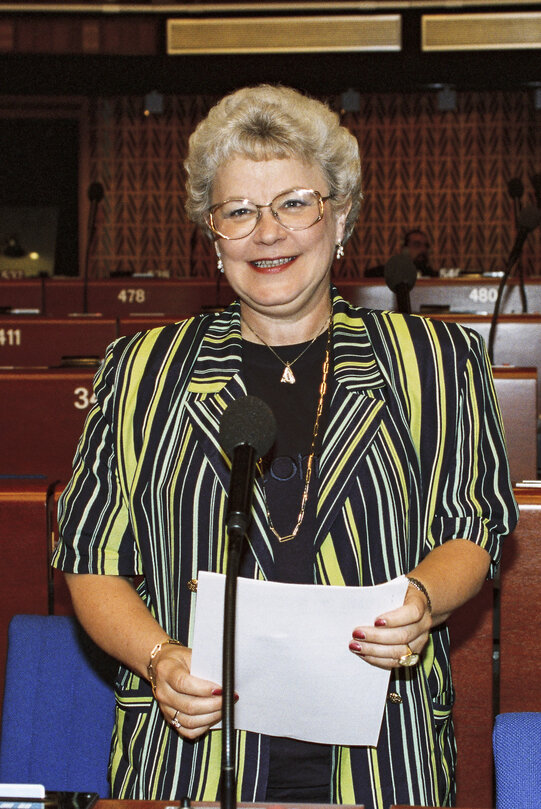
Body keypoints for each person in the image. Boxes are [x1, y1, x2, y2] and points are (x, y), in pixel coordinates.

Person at [52, 84, 518, 809]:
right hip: (187, 760)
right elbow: (90, 557)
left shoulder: (439, 361)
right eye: (238, 211)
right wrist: (158, 657)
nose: (267, 232)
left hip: (383, 759)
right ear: (213, 240)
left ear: (339, 219)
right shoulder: (141, 369)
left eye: (294, 202)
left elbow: (473, 527)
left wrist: (420, 600)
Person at [365, 228, 438, 278]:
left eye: (426, 246)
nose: (423, 249)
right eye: (417, 245)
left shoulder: (431, 275)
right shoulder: (388, 272)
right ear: (404, 249)